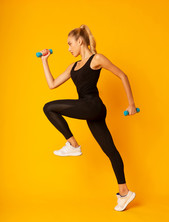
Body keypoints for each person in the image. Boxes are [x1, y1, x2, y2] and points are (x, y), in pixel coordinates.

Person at [41, 24, 136, 211]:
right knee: (111, 151)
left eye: (70, 44)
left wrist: (131, 103)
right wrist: (44, 60)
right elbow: (52, 85)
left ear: (80, 41)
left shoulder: (96, 59)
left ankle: (73, 145)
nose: (68, 48)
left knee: (49, 107)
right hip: (90, 111)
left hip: (93, 106)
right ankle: (124, 192)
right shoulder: (73, 67)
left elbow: (122, 75)